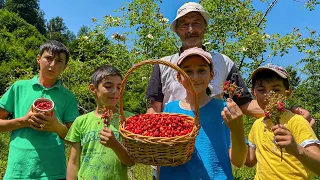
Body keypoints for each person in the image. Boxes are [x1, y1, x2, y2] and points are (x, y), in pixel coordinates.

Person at [145, 2, 315, 125]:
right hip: (172, 145)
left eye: (196, 23)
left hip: (214, 143)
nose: (190, 29)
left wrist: (288, 113)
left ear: (205, 27)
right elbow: (155, 108)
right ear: (176, 31)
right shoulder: (163, 64)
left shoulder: (223, 62)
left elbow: (245, 104)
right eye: (184, 24)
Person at [158, 47, 247, 180]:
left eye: (201, 70)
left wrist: (238, 130)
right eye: (187, 71)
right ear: (178, 77)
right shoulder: (169, 110)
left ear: (212, 75)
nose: (195, 77)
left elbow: (239, 161)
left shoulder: (224, 110)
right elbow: (161, 155)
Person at [0, 40, 79, 179]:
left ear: (65, 67)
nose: (52, 64)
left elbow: (75, 138)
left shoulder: (68, 97)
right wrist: (23, 122)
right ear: (38, 59)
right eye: (48, 58)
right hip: (18, 171)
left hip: (54, 172)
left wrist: (56, 127)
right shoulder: (19, 88)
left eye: (59, 61)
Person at [245, 63, 320, 178]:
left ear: (287, 93)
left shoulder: (296, 121)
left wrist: (296, 149)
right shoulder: (257, 125)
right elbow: (249, 161)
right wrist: (234, 129)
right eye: (261, 90)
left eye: (275, 89)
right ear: (253, 93)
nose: (269, 95)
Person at [66, 65, 135, 179]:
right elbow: (73, 163)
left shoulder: (128, 120)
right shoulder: (81, 121)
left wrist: (115, 145)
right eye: (108, 86)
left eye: (119, 87)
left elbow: (131, 162)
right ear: (93, 88)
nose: (114, 91)